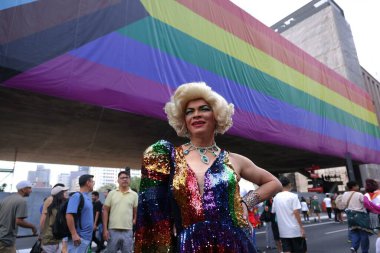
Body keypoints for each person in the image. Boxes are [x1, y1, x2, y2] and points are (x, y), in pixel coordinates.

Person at [134, 82, 282, 252]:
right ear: (183, 119)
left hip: (234, 244)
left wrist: (246, 203)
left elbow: (274, 183)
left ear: (216, 115)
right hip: (189, 246)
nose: (196, 115)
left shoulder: (235, 160)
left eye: (203, 109)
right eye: (189, 111)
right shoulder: (168, 157)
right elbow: (154, 216)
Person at [103, 171, 138, 253]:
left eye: (127, 178)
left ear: (129, 180)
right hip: (112, 230)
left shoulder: (134, 195)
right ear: (118, 180)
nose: (125, 179)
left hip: (128, 231)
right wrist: (105, 229)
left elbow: (136, 211)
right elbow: (105, 211)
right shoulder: (111, 194)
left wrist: (135, 220)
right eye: (122, 178)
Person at [272, 176, 307, 253]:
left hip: (283, 231)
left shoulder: (275, 198)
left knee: (287, 250)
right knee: (301, 250)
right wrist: (301, 227)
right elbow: (296, 212)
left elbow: (273, 211)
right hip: (295, 230)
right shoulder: (293, 196)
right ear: (289, 185)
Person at [0, 180, 37, 252]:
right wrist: (33, 227)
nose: (31, 191)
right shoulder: (21, 201)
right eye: (29, 188)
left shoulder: (6, 199)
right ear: (23, 189)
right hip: (6, 240)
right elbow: (19, 221)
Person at [66, 174, 95, 253]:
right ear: (88, 183)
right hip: (79, 239)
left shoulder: (86, 197)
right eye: (93, 182)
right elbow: (69, 215)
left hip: (86, 239)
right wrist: (74, 234)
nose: (93, 184)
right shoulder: (77, 196)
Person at [343, 181, 372, 253]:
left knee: (354, 232)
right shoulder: (359, 194)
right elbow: (366, 204)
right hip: (360, 216)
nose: (358, 187)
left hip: (350, 216)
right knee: (363, 234)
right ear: (353, 187)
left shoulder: (344, 194)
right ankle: (364, 251)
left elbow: (343, 205)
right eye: (357, 186)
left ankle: (354, 247)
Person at [40, 185, 69, 253]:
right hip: (50, 239)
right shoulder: (52, 204)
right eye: (64, 192)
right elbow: (43, 220)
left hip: (55, 239)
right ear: (60, 194)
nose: (66, 193)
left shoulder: (59, 206)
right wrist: (41, 234)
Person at [362, 179, 380, 253]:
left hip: (373, 215)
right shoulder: (379, 192)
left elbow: (366, 205)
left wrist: (374, 210)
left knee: (379, 234)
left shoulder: (366, 195)